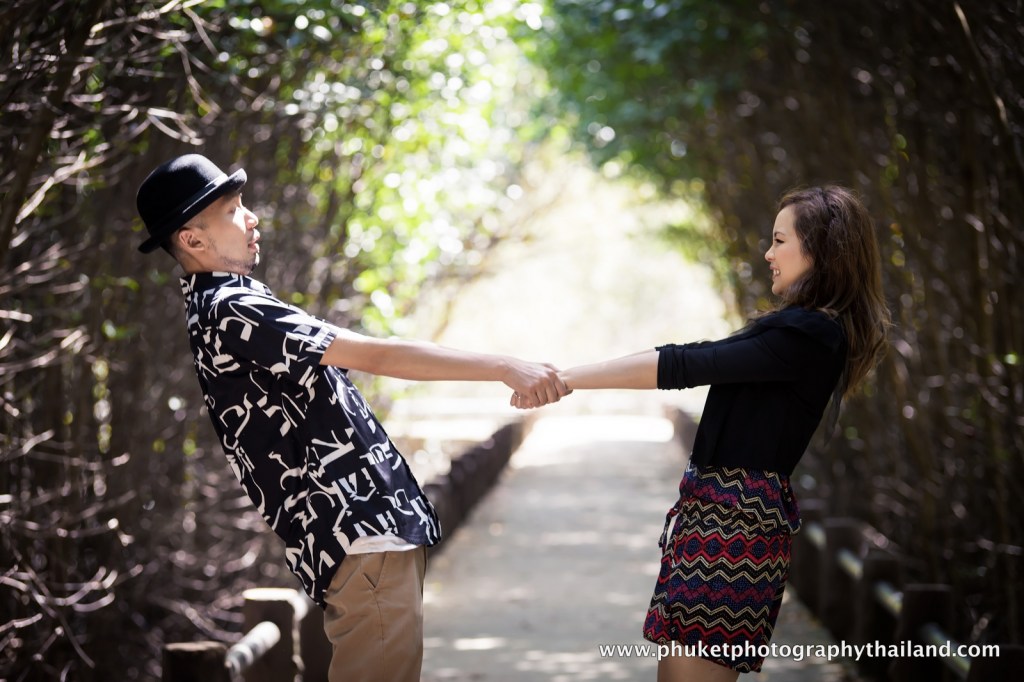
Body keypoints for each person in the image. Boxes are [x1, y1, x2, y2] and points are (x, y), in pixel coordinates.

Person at [135, 153, 568, 682]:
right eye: (231, 210)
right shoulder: (231, 309)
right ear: (192, 240)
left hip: (365, 538)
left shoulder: (230, 303)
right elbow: (378, 355)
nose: (251, 218)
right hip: (361, 536)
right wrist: (503, 367)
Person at [553, 186, 890, 680]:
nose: (768, 254)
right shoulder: (797, 330)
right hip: (718, 518)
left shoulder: (810, 336)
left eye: (780, 241)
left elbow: (688, 363)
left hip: (735, 530)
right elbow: (695, 357)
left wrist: (565, 380)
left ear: (820, 250)